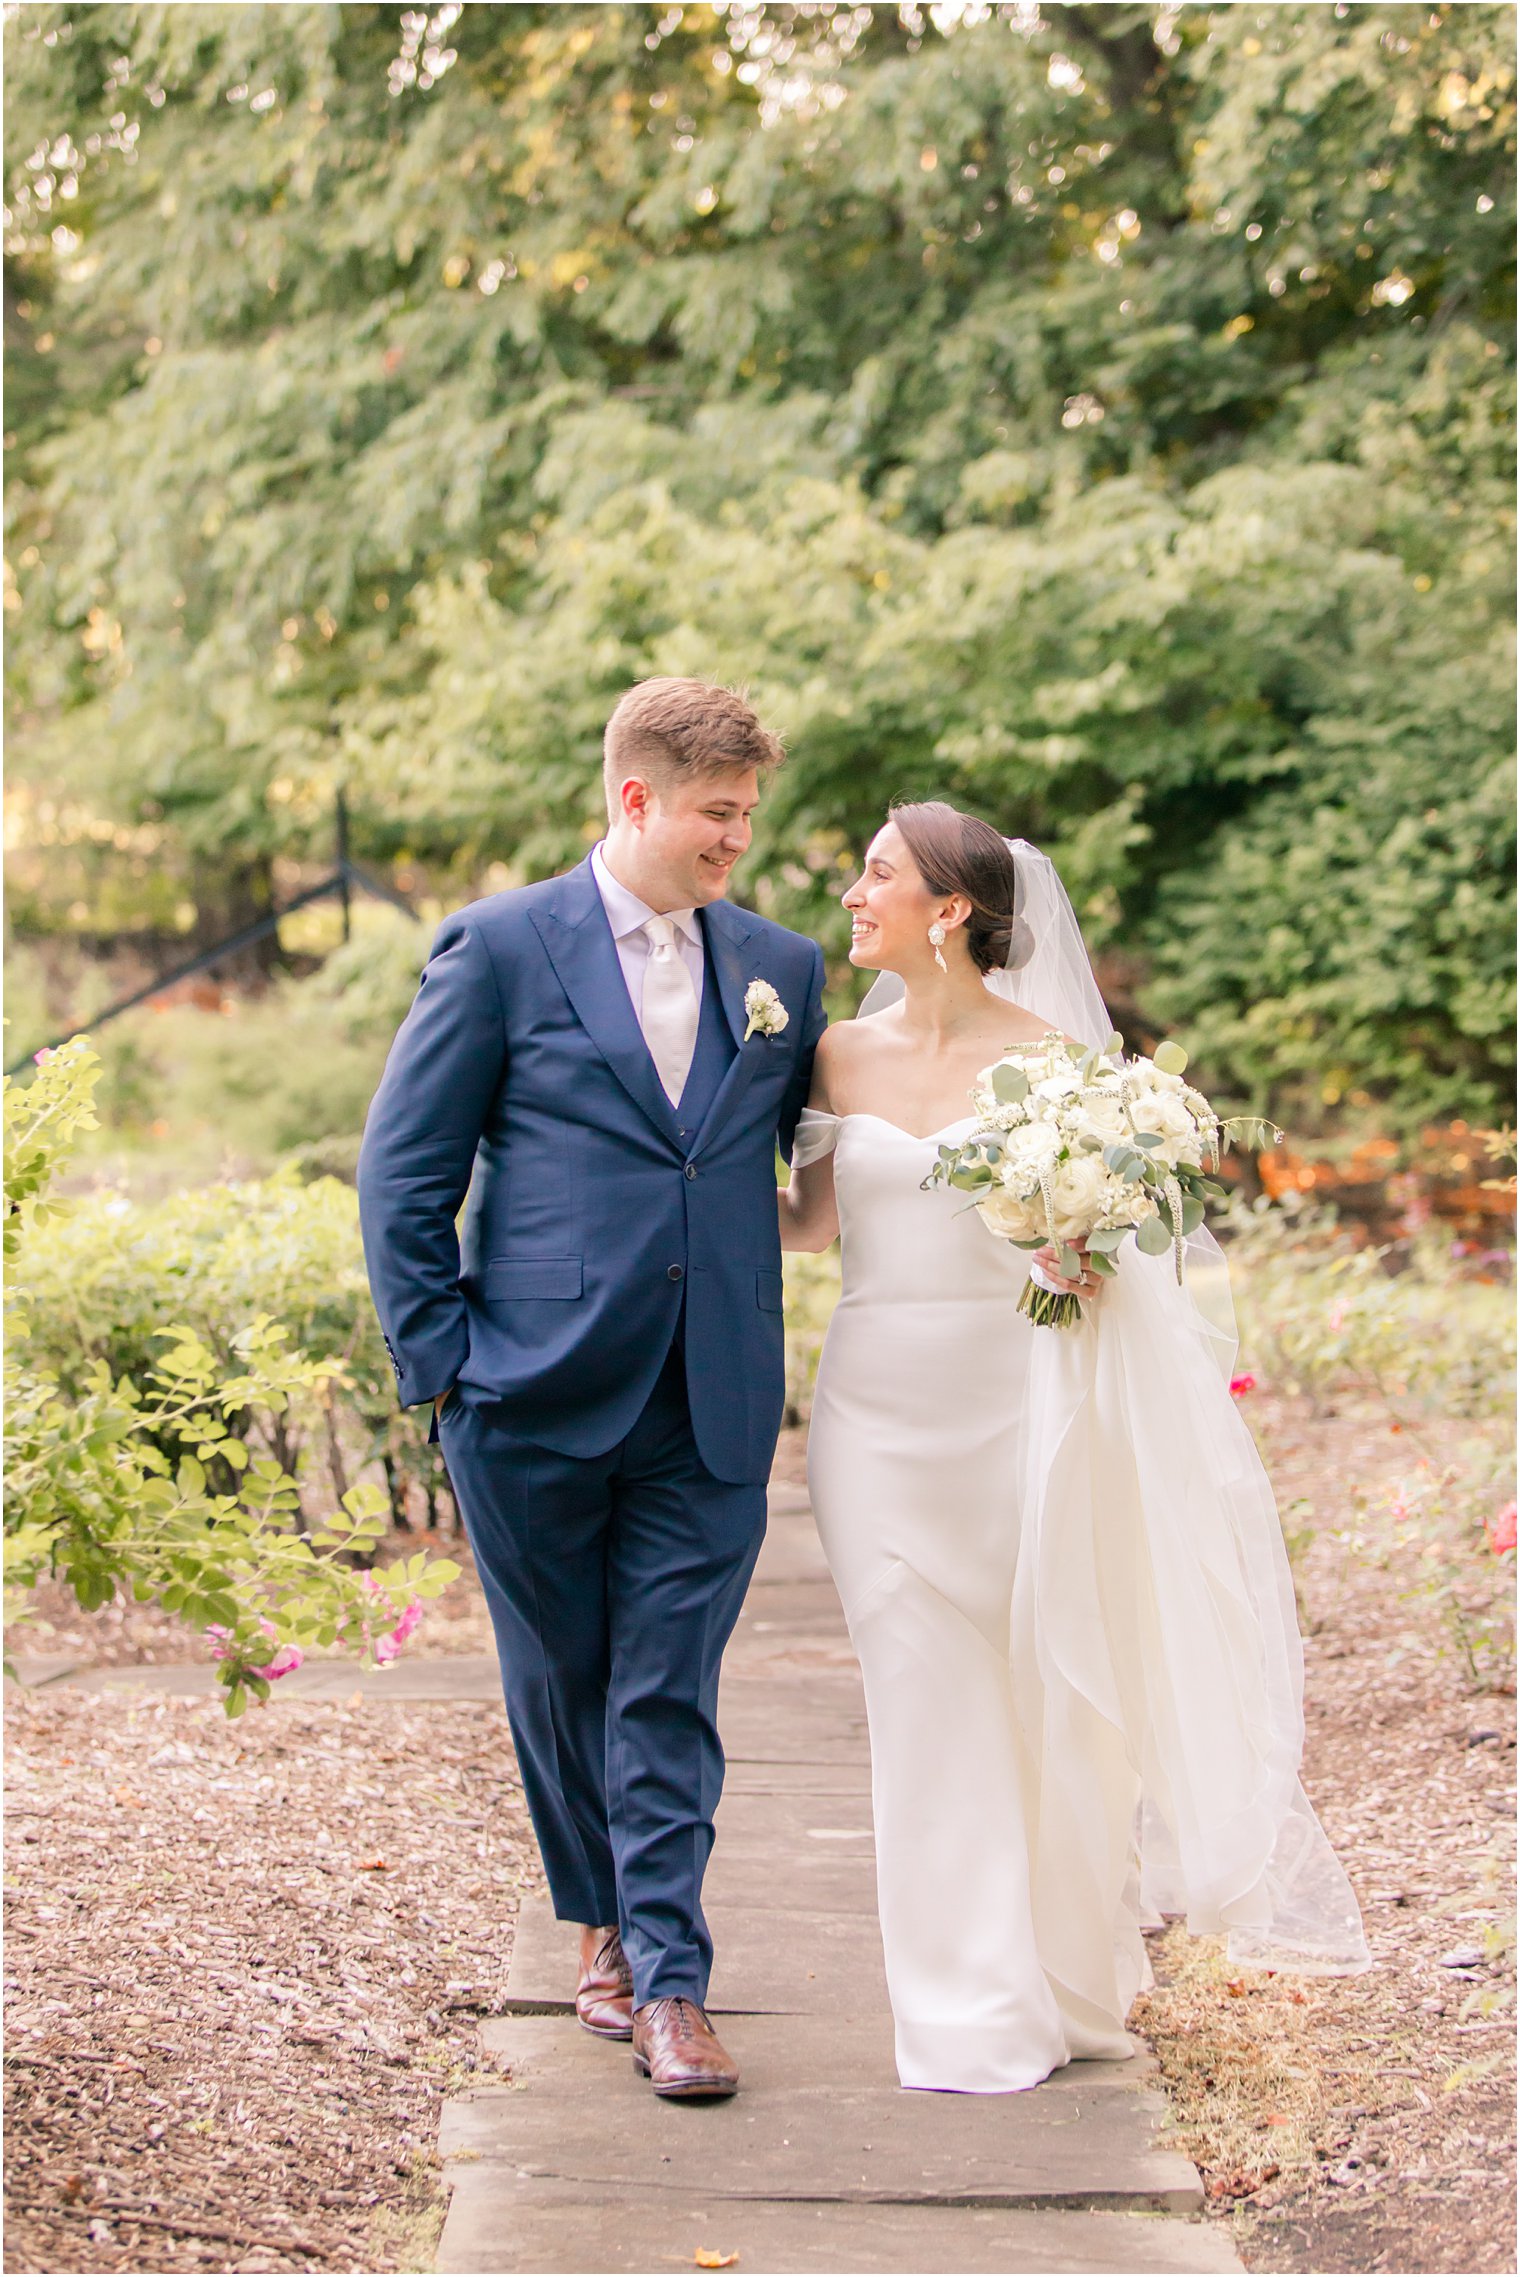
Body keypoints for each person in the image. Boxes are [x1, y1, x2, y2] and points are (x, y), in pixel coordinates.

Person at [780, 800, 1369, 2096]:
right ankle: (964, 2005)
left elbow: (1116, 1256)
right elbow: (810, 1228)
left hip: (1017, 1410)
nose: (854, 891)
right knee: (923, 1695)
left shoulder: (1060, 1063)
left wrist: (1086, 1246)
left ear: (949, 908)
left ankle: (1058, 1969)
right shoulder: (831, 1056)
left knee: (1036, 1689)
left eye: (879, 873)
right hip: (876, 1416)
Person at [358, 678, 826, 2101]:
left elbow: (819, 1155)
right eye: (717, 813)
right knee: (560, 1684)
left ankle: (673, 1978)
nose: (737, 839)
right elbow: (405, 1175)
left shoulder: (781, 969)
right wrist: (445, 1374)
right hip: (530, 1394)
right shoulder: (501, 947)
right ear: (637, 799)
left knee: (667, 1689)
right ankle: (602, 1926)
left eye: (749, 814)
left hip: (713, 1398)